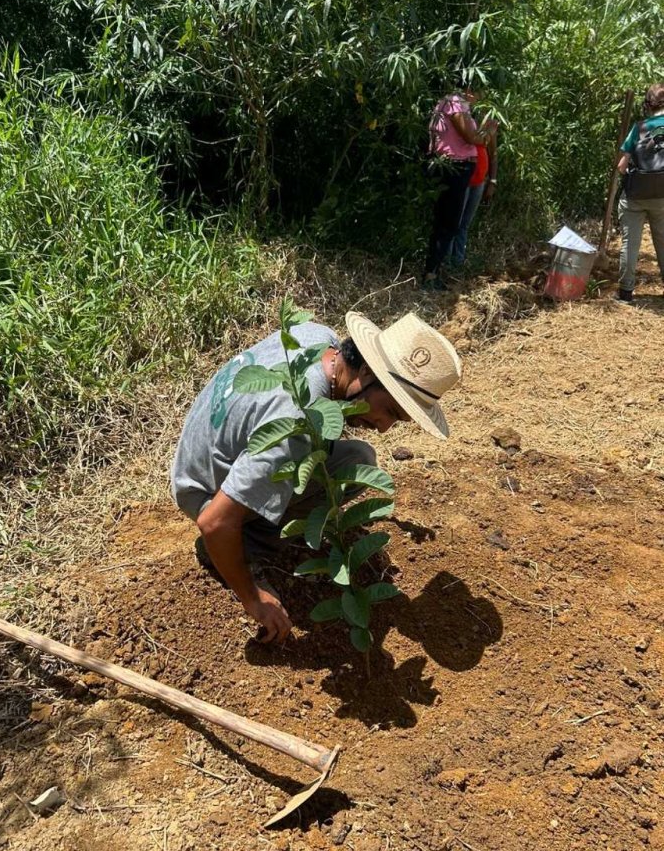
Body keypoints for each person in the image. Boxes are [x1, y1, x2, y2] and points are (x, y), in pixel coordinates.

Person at [171, 310, 462, 644]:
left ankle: (253, 512)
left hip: (201, 446)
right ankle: (245, 547)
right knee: (345, 469)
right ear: (366, 370)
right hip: (204, 489)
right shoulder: (296, 425)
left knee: (358, 459)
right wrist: (252, 599)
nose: (384, 427)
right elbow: (213, 521)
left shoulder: (318, 338)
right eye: (391, 411)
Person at [423, 86, 497, 288]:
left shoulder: (457, 105)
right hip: (453, 168)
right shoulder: (454, 103)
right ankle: (431, 276)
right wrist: (489, 131)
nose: (481, 97)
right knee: (448, 223)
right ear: (470, 88)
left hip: (458, 169)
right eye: (480, 92)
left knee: (449, 222)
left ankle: (435, 273)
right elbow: (471, 138)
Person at [616, 82, 664, 303]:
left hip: (635, 195)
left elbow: (621, 166)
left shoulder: (639, 127)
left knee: (630, 243)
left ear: (648, 104)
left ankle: (626, 293)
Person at [448, 124, 498, 268]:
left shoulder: (490, 126)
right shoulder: (464, 122)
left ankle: (457, 263)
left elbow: (493, 154)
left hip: (479, 182)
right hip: (462, 180)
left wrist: (493, 181)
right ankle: (445, 263)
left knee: (464, 224)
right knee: (454, 221)